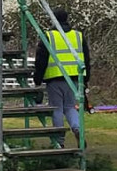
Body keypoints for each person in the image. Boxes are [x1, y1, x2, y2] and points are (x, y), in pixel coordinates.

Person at [33, 8, 91, 148]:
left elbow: (41, 60)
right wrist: (86, 79)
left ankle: (59, 142)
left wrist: (37, 79)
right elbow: (87, 59)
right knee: (70, 107)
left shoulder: (48, 36)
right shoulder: (78, 35)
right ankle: (77, 129)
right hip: (74, 78)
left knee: (56, 108)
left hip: (55, 78)